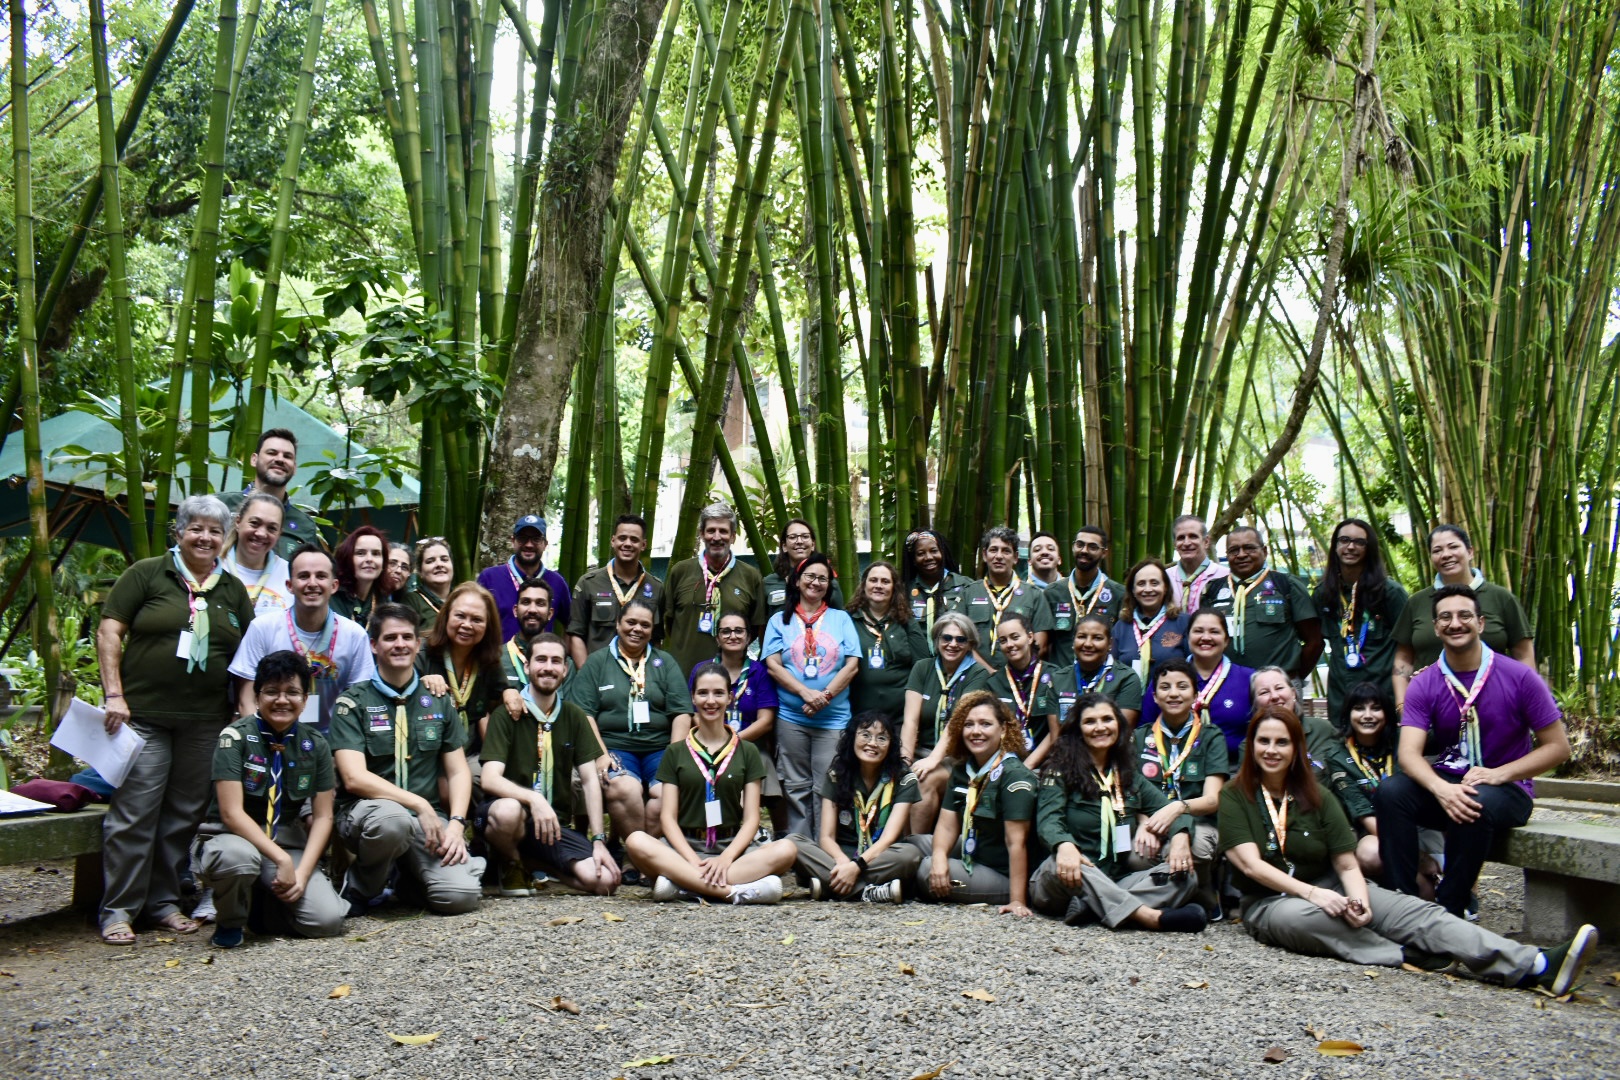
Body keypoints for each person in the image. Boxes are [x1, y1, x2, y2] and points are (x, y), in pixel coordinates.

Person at [1219, 705, 1596, 993]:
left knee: (1416, 911)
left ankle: (1534, 965)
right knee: (1300, 920)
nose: (1271, 750)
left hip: (1332, 884)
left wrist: (1359, 900)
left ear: (1296, 748)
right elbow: (1251, 867)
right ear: (1250, 746)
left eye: (1281, 742)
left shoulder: (1318, 796)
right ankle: (1404, 952)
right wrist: (1314, 895)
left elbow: (1347, 863)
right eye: (1263, 741)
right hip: (1274, 901)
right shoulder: (1235, 797)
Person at [95, 495, 257, 945]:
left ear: (225, 538)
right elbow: (110, 630)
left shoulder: (231, 589)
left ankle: (163, 903)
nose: (205, 538)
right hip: (144, 716)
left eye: (214, 531)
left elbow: (248, 653)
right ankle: (119, 909)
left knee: (182, 816)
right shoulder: (147, 574)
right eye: (196, 528)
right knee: (135, 812)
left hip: (205, 721)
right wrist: (114, 693)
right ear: (179, 532)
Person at [1376, 585, 1569, 918]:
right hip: (1453, 782)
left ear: (1480, 623)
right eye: (1445, 617)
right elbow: (1408, 753)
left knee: (1473, 800)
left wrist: (1500, 774)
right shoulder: (1425, 682)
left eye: (1464, 615)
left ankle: (1451, 909)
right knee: (1391, 792)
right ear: (1436, 628)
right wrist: (1442, 789)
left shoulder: (1520, 676)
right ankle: (1402, 906)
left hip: (1507, 789)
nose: (1455, 623)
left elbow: (1558, 747)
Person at [328, 604, 484, 915]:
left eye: (407, 637)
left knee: (460, 897)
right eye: (390, 638)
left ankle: (410, 880)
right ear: (374, 645)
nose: (399, 644)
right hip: (368, 818)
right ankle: (362, 886)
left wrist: (455, 823)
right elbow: (354, 778)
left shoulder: (438, 700)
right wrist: (418, 804)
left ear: (417, 644)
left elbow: (458, 772)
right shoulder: (353, 702)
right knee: (392, 821)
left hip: (427, 823)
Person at [196, 651, 347, 947]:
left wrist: (301, 874)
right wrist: (280, 859)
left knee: (327, 921)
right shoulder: (235, 738)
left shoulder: (314, 745)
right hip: (232, 838)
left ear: (305, 699)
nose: (282, 700)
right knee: (237, 859)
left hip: (287, 841)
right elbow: (231, 814)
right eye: (272, 692)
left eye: (292, 692)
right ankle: (230, 923)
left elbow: (324, 816)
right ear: (256, 695)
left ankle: (261, 912)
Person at [1029, 694, 1208, 932]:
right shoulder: (1059, 770)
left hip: (1114, 880)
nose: (1100, 727)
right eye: (1090, 721)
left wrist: (1180, 837)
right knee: (1068, 862)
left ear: (1118, 726)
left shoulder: (1127, 775)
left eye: (1107, 719)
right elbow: (1049, 821)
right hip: (1065, 877)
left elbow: (1167, 809)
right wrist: (1064, 845)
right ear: (1078, 730)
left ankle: (1092, 907)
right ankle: (1149, 917)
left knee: (1183, 874)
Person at [623, 662, 798, 903]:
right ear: (693, 698)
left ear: (730, 697)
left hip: (733, 848)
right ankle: (732, 892)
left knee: (786, 849)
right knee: (636, 841)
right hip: (685, 847)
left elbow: (751, 819)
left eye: (718, 693)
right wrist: (694, 861)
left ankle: (684, 886)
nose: (710, 701)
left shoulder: (747, 751)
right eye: (703, 693)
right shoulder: (676, 751)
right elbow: (667, 819)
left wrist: (725, 859)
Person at [477, 633, 621, 897]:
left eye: (556, 661)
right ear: (528, 666)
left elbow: (589, 780)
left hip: (554, 826)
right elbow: (489, 779)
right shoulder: (506, 715)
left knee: (607, 881)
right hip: (511, 818)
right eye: (541, 659)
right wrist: (534, 799)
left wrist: (599, 840)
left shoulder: (574, 716)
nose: (548, 667)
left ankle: (534, 865)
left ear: (565, 669)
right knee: (509, 811)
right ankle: (510, 860)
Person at [574, 599, 694, 847]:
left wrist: (675, 756)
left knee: (667, 792)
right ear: (618, 624)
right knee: (624, 788)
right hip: (614, 748)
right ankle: (636, 857)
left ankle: (648, 856)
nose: (637, 629)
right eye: (631, 622)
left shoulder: (665, 662)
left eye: (645, 625)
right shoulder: (597, 662)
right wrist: (600, 754)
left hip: (659, 749)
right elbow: (583, 713)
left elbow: (682, 713)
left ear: (652, 630)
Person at [764, 553, 861, 838]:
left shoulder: (841, 618)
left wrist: (825, 696)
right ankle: (800, 848)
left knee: (826, 785)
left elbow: (853, 664)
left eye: (822, 578)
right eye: (810, 576)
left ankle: (824, 847)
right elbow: (772, 664)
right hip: (791, 717)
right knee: (795, 785)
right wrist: (806, 693)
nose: (816, 582)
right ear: (797, 580)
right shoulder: (778, 621)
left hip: (833, 719)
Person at [229, 545, 376, 734]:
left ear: (334, 586)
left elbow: (360, 702)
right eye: (304, 576)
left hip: (332, 739)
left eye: (321, 576)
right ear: (289, 585)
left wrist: (340, 748)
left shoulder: (354, 635)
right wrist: (261, 742)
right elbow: (246, 699)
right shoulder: (263, 628)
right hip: (271, 733)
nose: (312, 583)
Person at [915, 692, 1038, 912]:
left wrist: (1017, 900)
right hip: (976, 850)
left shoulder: (1014, 775)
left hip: (1002, 873)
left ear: (1003, 730)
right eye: (969, 725)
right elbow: (946, 825)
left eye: (985, 724)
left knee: (925, 869)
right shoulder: (964, 769)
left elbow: (1016, 843)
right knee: (916, 843)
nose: (976, 731)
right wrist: (940, 857)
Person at [1392, 524, 1535, 712]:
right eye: (1437, 550)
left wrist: (1525, 700)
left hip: (1496, 706)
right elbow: (1403, 658)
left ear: (1470, 552)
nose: (1446, 554)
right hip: (1431, 710)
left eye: (1453, 547)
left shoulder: (1501, 598)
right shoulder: (1417, 602)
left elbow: (1523, 654)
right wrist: (1402, 704)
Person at [793, 711, 922, 903]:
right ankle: (869, 891)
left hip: (880, 856)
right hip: (842, 855)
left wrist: (856, 867)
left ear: (891, 745)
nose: (872, 743)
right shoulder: (837, 774)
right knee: (793, 842)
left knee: (910, 855)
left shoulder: (903, 778)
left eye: (882, 738)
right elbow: (826, 838)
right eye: (865, 735)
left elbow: (889, 838)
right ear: (852, 738)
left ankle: (831, 885)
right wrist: (845, 863)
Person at [1131, 659, 1228, 904]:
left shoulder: (1211, 736)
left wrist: (1179, 811)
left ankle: (1203, 895)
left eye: (1182, 686)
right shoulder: (1139, 737)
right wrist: (1143, 823)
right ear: (1154, 696)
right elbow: (1133, 793)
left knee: (1197, 848)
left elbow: (1212, 799)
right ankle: (1168, 897)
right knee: (1137, 854)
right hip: (1153, 820)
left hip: (1198, 820)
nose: (1173, 693)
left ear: (1195, 694)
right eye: (1165, 687)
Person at [1197, 527, 1323, 684]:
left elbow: (1315, 641)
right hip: (1227, 685)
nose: (1241, 554)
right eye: (1234, 550)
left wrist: (1292, 678)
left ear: (1264, 551)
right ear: (1227, 555)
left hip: (1277, 687)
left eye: (1249, 548)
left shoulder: (1286, 584)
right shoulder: (1213, 590)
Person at [1314, 519, 1409, 726]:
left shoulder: (1390, 593)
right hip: (1341, 697)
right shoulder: (1324, 593)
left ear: (1370, 549)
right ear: (1335, 546)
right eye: (1344, 540)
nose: (1350, 546)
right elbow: (1314, 640)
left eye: (1359, 542)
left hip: (1382, 697)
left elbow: (1409, 648)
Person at [701, 612, 785, 835]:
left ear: (749, 637)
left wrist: (732, 741)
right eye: (726, 631)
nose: (732, 636)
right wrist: (717, 743)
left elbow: (766, 721)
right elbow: (694, 714)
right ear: (717, 638)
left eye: (739, 631)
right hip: (709, 745)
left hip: (749, 745)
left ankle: (776, 834)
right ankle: (718, 831)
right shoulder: (703, 671)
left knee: (763, 764)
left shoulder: (760, 672)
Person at [419, 583, 522, 762]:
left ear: (488, 625)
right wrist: (420, 682)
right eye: (460, 616)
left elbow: (503, 687)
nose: (467, 625)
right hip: (425, 758)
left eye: (477, 620)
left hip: (468, 758)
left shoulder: (487, 661)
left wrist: (510, 691)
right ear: (446, 616)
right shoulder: (421, 652)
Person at [663, 502, 768, 674]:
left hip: (733, 678)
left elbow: (755, 628)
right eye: (711, 530)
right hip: (683, 675)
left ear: (733, 536)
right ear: (702, 534)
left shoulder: (751, 576)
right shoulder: (680, 572)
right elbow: (669, 623)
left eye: (723, 531)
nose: (717, 537)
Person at [1141, 609, 1254, 757]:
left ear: (1226, 640)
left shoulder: (1249, 679)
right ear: (1188, 638)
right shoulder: (1166, 677)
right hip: (1173, 767)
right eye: (1198, 631)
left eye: (1214, 631)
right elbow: (1146, 728)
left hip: (1233, 769)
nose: (1206, 637)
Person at [1323, 681, 1402, 878]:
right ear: (1348, 715)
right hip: (1373, 829)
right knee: (1371, 854)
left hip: (1416, 823)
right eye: (1359, 709)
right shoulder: (1338, 756)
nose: (1368, 715)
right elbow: (1364, 813)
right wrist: (1418, 856)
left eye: (1376, 708)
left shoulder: (1403, 740)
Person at [568, 514, 665, 668]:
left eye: (634, 540)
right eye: (622, 538)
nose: (627, 544)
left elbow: (657, 639)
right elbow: (575, 634)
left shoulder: (656, 587)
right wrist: (587, 674)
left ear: (643, 545)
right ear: (613, 541)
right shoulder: (589, 583)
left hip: (639, 676)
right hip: (598, 672)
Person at [948, 526, 1052, 661]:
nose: (999, 556)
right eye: (993, 550)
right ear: (985, 555)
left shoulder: (1034, 595)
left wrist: (1011, 674)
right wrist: (987, 673)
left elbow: (1040, 646)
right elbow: (958, 640)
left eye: (1006, 551)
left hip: (1019, 677)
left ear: (1015, 557)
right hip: (975, 676)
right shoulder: (968, 593)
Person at [220, 428, 325, 559]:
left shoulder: (305, 525)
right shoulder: (221, 506)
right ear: (254, 460)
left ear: (294, 467)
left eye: (287, 456)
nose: (280, 459)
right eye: (272, 453)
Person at [847, 560, 930, 720]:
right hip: (857, 718)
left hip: (900, 718)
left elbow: (923, 665)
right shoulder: (849, 619)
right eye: (873, 580)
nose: (878, 585)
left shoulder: (906, 621)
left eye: (885, 581)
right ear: (864, 585)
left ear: (894, 588)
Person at [477, 514, 573, 641]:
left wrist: (561, 652)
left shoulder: (557, 582)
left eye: (536, 539)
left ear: (545, 544)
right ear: (513, 541)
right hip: (497, 659)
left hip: (540, 658)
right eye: (522, 538)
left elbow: (572, 625)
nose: (529, 544)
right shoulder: (489, 577)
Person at [985, 613, 1060, 767]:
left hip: (1047, 763)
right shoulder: (994, 683)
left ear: (1030, 637)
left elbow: (1057, 731)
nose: (1010, 644)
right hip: (1005, 765)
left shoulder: (1055, 676)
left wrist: (1027, 767)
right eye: (1003, 640)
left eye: (1015, 637)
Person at [1049, 614, 1144, 727]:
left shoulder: (1126, 679)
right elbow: (1056, 738)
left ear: (1110, 644)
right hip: (1068, 745)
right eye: (1082, 637)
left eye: (1097, 638)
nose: (1088, 644)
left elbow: (1122, 734)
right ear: (1073, 642)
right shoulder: (1058, 679)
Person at [1041, 526, 1125, 650]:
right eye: (1080, 544)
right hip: (1061, 668)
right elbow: (1043, 645)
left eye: (1093, 547)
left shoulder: (1118, 594)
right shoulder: (1052, 592)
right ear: (1073, 547)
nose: (1084, 550)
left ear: (1104, 553)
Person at [1112, 558, 1189, 686]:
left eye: (1154, 583)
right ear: (1133, 590)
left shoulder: (1183, 622)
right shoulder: (1121, 626)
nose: (1148, 589)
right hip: (1129, 702)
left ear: (1165, 587)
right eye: (1141, 584)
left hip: (1171, 700)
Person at [1250, 665, 1337, 768]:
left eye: (1279, 688)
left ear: (1293, 693)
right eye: (1264, 692)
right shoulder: (1251, 742)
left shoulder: (1323, 729)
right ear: (1255, 703)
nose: (1274, 696)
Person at [499, 576, 573, 698]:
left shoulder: (564, 663)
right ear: (515, 611)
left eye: (540, 603)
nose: (532, 609)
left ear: (550, 613)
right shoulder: (498, 659)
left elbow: (570, 712)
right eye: (526, 602)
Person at [222, 493, 292, 616]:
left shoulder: (289, 573)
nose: (261, 533)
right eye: (254, 523)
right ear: (238, 522)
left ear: (279, 533)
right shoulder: (214, 566)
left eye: (272, 528)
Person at [901, 528, 973, 643]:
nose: (928, 557)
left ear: (942, 553)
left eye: (934, 551)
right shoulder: (904, 591)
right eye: (920, 553)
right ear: (913, 560)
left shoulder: (966, 586)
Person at [762, 518, 845, 615]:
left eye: (805, 536)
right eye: (793, 537)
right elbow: (761, 624)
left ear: (813, 545)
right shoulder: (769, 583)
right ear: (784, 546)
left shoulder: (826, 582)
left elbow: (839, 619)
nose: (799, 541)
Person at [1167, 514, 1227, 614]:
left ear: (1206, 542)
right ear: (1174, 544)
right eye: (1181, 538)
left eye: (1193, 536)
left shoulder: (1224, 575)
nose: (1186, 543)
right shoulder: (1165, 578)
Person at [330, 525, 389, 627]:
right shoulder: (331, 595)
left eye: (376, 553)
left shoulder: (383, 600)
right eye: (360, 553)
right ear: (347, 559)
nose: (369, 559)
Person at [403, 537, 455, 627]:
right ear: (420, 572)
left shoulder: (461, 598)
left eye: (444, 559)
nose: (439, 564)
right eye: (430, 561)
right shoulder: (412, 601)